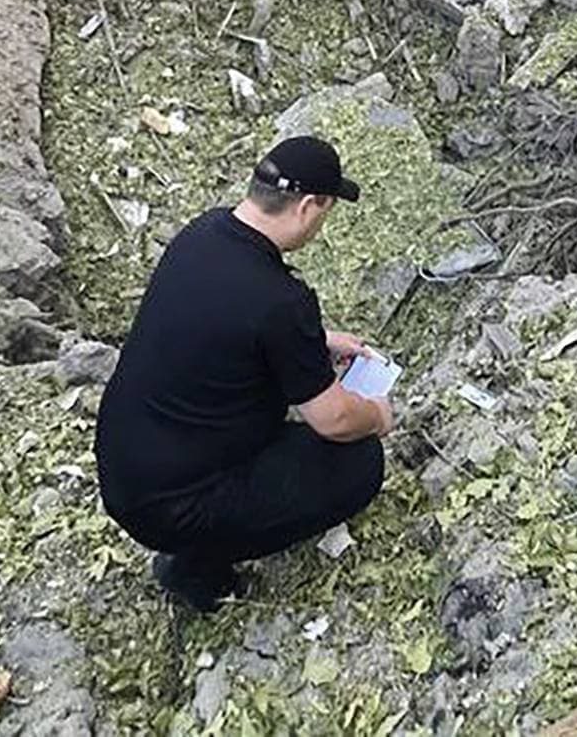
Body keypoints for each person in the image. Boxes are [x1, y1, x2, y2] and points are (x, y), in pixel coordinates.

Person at [95, 137, 392, 612]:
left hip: (126, 468)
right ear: (309, 206)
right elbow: (333, 419)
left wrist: (316, 341)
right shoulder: (280, 300)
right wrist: (376, 414)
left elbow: (228, 322)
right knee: (359, 463)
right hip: (175, 505)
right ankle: (195, 568)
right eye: (326, 211)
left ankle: (199, 539)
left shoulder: (203, 234)